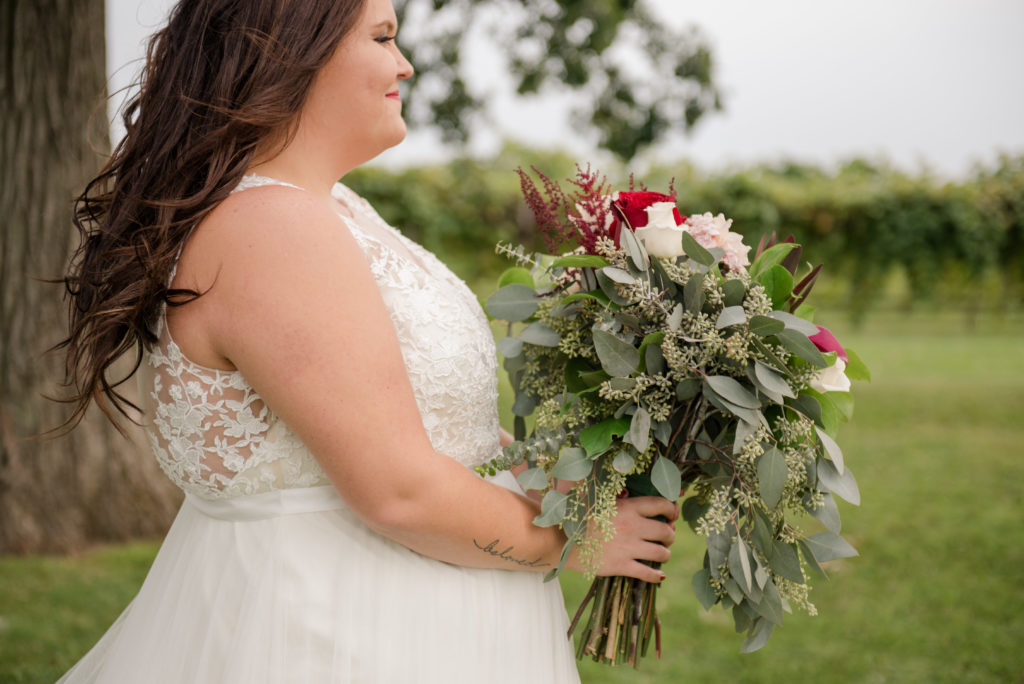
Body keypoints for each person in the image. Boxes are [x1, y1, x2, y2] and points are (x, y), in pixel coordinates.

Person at [57, 0, 678, 681]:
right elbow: (397, 490)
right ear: (295, 51)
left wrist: (540, 474)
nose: (405, 63)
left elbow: (400, 418)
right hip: (342, 624)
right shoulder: (273, 228)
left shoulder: (331, 208)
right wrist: (574, 540)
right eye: (383, 37)